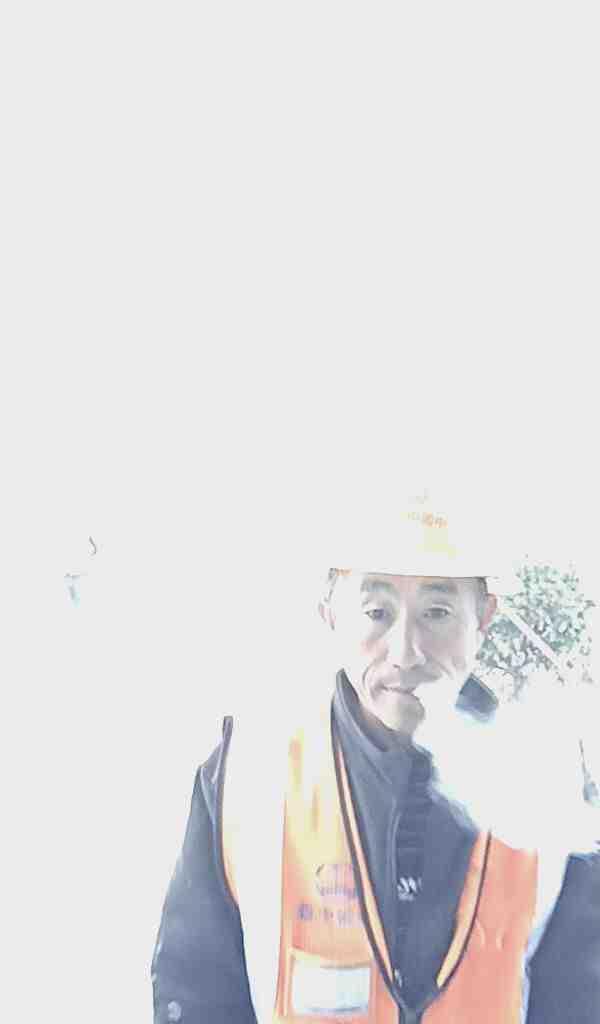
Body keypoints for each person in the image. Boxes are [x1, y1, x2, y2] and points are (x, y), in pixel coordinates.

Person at [151, 494, 600, 1023]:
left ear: (483, 617)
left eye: (437, 613)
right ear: (330, 614)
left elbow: (579, 996)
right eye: (376, 613)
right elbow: (195, 991)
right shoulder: (250, 772)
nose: (406, 652)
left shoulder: (548, 785)